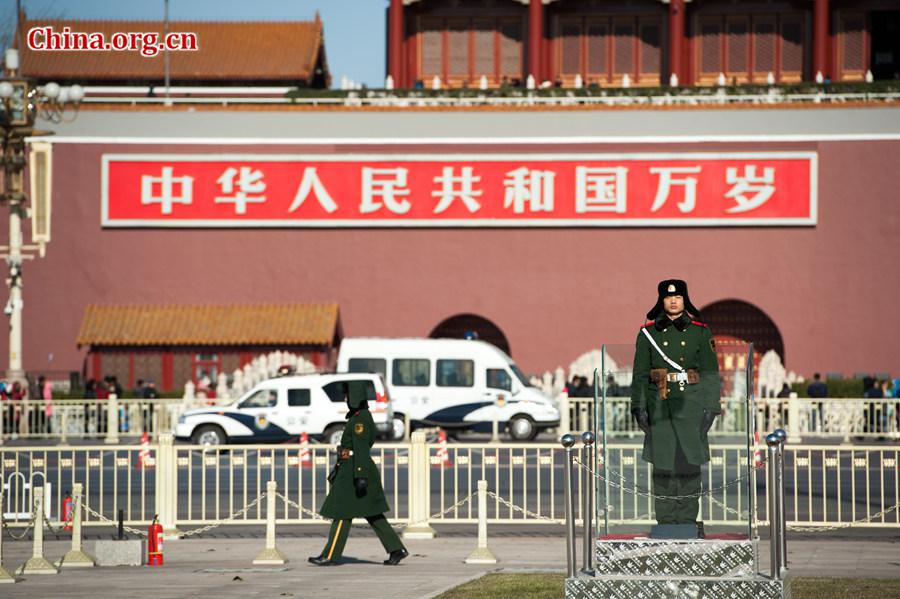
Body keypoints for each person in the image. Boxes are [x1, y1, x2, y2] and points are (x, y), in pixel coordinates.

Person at [630, 279, 720, 537]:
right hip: (660, 407)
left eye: (678, 297)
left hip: (690, 407)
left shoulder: (700, 332)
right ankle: (667, 523)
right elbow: (639, 374)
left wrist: (711, 407)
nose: (673, 301)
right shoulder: (648, 333)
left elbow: (711, 373)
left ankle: (688, 522)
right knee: (663, 468)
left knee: (690, 468)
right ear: (661, 300)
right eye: (668, 297)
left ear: (685, 299)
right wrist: (638, 407)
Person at [309, 381, 408, 566]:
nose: (345, 399)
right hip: (352, 468)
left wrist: (359, 475)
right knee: (373, 514)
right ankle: (397, 549)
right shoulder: (359, 416)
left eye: (348, 396)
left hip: (355, 470)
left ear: (355, 397)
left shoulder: (360, 419)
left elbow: (361, 449)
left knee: (341, 513)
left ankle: (330, 555)